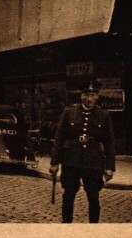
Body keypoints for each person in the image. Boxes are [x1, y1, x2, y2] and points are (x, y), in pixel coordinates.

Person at [49, 79, 116, 223]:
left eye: (92, 95)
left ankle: (93, 227)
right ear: (81, 96)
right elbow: (59, 139)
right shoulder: (69, 112)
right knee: (69, 194)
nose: (89, 98)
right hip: (71, 161)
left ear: (97, 96)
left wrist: (110, 167)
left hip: (93, 162)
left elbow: (109, 142)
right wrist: (54, 162)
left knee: (93, 196)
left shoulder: (103, 115)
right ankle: (67, 224)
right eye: (86, 95)